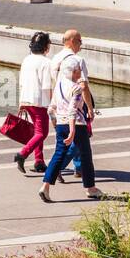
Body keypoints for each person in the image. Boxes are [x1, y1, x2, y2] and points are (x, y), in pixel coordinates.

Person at [39, 58, 104, 202]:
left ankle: (45, 186)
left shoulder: (59, 85)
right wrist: (72, 131)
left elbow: (51, 108)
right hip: (77, 125)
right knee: (86, 156)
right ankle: (90, 188)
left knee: (58, 155)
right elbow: (73, 111)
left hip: (61, 123)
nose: (81, 72)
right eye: (79, 70)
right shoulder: (77, 88)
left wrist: (56, 124)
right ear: (74, 72)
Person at [50, 29, 95, 176]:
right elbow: (84, 87)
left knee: (65, 139)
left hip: (59, 102)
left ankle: (78, 167)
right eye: (80, 41)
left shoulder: (54, 59)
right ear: (72, 41)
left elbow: (53, 84)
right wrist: (90, 108)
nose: (81, 45)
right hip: (75, 103)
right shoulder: (77, 60)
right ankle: (59, 168)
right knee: (80, 137)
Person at [15, 31, 54, 174]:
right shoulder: (47, 63)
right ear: (46, 47)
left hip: (26, 99)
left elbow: (21, 82)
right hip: (39, 101)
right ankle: (22, 154)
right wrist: (52, 104)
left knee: (37, 132)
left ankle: (39, 161)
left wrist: (21, 101)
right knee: (42, 133)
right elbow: (46, 86)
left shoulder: (27, 59)